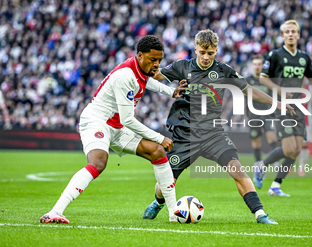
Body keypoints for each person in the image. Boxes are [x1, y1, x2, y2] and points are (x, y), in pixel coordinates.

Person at [143, 29, 295, 224]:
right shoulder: (182, 66)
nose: (206, 57)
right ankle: (158, 202)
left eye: (211, 53)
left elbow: (249, 90)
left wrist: (278, 103)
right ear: (196, 49)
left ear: (216, 51)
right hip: (185, 135)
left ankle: (260, 214)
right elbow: (153, 78)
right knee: (166, 182)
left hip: (213, 134)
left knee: (237, 168)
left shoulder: (224, 71)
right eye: (203, 52)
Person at [40, 35, 186, 224]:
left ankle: (174, 213)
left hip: (116, 126)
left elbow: (146, 82)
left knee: (156, 152)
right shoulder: (126, 76)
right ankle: (54, 212)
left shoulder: (139, 69)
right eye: (153, 60)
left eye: (159, 60)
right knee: (99, 162)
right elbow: (128, 120)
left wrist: (170, 91)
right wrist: (159, 137)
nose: (157, 64)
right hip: (97, 121)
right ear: (140, 55)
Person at [254, 20, 312, 196]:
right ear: (282, 35)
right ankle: (261, 165)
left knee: (297, 149)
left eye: (294, 31)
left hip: (299, 107)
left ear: (298, 35)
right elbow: (263, 78)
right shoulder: (275, 55)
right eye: (287, 32)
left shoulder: (304, 57)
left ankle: (276, 185)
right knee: (289, 147)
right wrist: (280, 90)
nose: (291, 34)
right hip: (282, 106)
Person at [246, 55, 279, 166]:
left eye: (259, 64)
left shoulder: (267, 81)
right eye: (255, 64)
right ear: (252, 66)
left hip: (267, 113)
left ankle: (276, 161)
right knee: (256, 141)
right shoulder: (247, 81)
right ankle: (258, 165)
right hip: (253, 115)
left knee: (272, 137)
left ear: (262, 66)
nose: (257, 67)